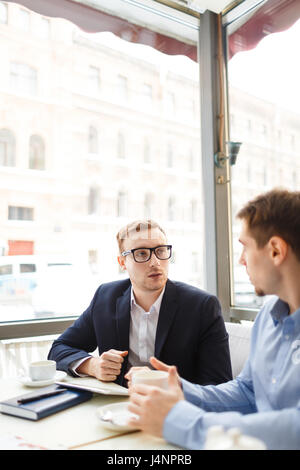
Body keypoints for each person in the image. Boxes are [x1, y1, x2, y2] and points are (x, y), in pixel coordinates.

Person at [128, 189, 300, 450]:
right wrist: (182, 391)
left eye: (245, 247)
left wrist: (180, 421)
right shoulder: (268, 317)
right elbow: (247, 392)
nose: (241, 260)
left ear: (275, 250)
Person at [48, 219, 232, 387]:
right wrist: (92, 365)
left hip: (174, 411)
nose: (155, 262)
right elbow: (59, 349)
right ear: (122, 262)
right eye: (142, 253)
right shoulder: (106, 297)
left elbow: (219, 384)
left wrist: (159, 381)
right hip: (115, 407)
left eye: (160, 251)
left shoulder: (201, 306)